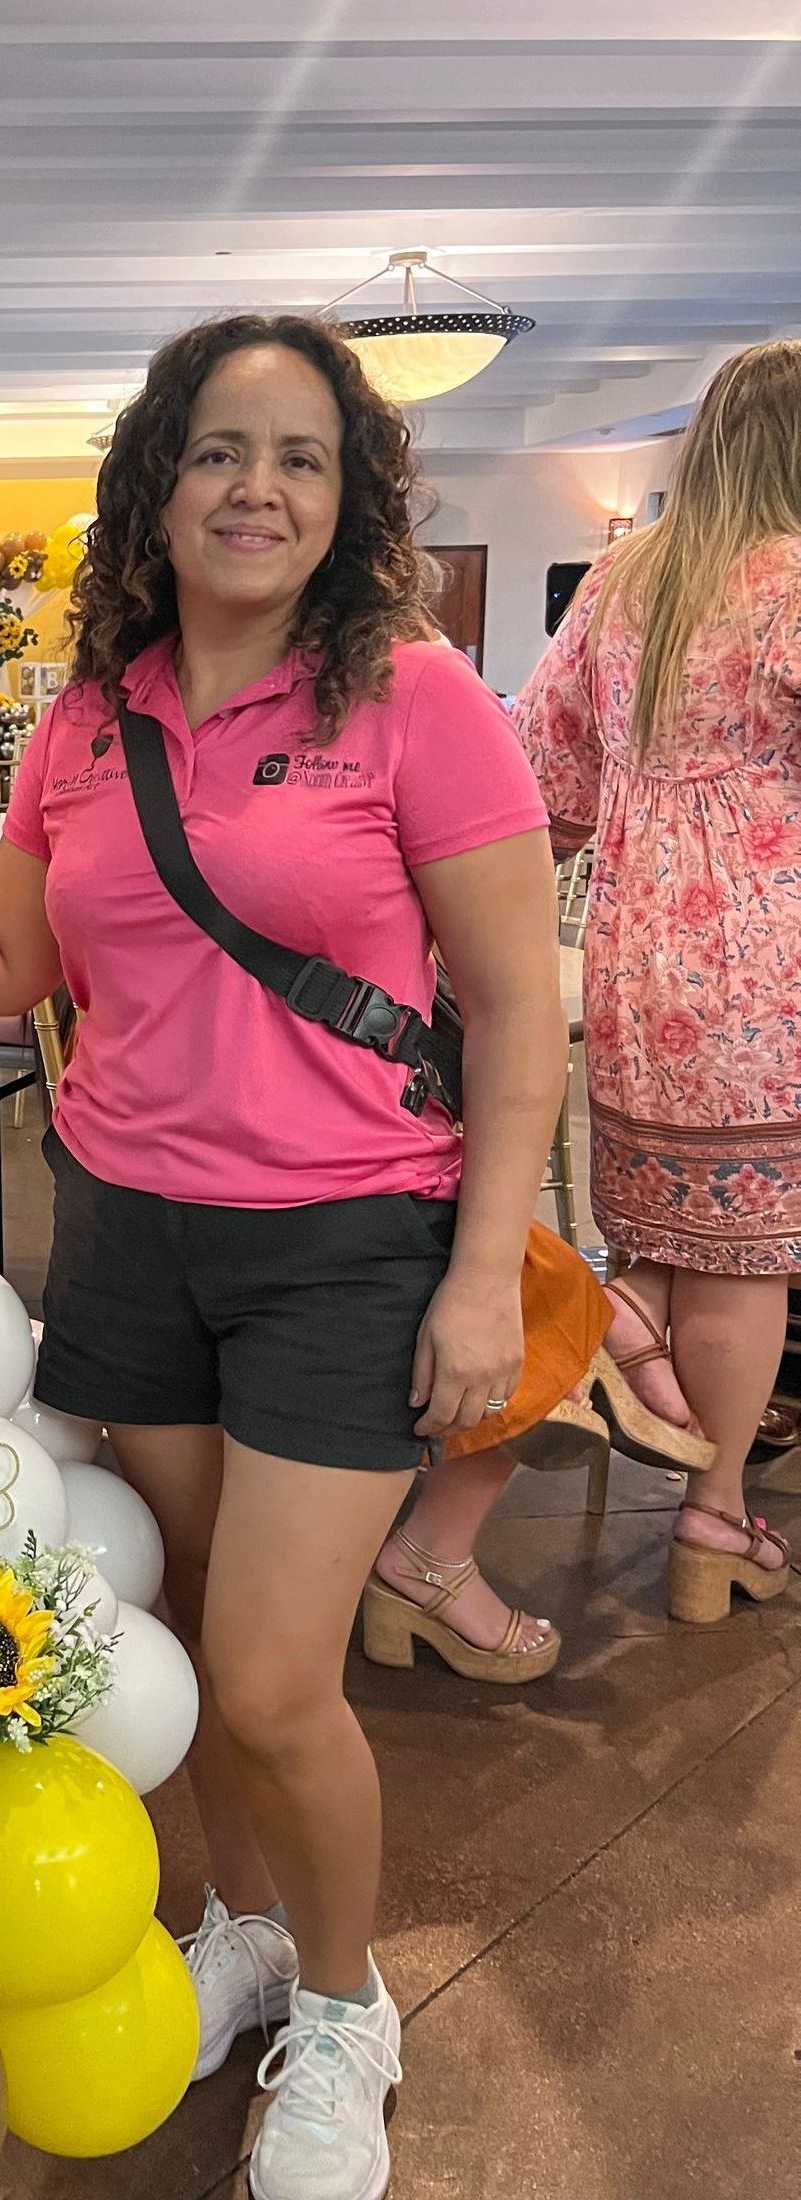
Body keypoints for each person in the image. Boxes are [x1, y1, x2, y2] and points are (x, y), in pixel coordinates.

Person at [0, 314, 566, 2200]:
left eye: (298, 457)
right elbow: (10, 969)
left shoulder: (414, 698)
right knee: (191, 1640)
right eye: (217, 451)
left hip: (348, 1245)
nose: (254, 488)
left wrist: (480, 1265)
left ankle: (348, 2004)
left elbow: (518, 1008)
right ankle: (249, 1934)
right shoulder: (87, 719)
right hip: (121, 1229)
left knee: (279, 1680)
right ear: (156, 481)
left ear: (348, 498)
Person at [516, 339, 801, 1625]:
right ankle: (714, 1518)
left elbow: (542, 780)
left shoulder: (628, 575)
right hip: (775, 960)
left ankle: (613, 1336)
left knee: (668, 1234)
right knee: (744, 1254)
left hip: (637, 953)